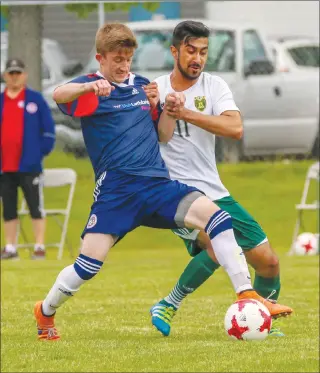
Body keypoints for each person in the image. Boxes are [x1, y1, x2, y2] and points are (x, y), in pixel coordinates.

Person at [33, 23, 292, 341]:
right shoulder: (91, 88)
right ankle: (45, 311)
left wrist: (163, 108)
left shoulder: (143, 87)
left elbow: (164, 134)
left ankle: (246, 293)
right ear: (100, 58)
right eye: (117, 59)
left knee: (218, 219)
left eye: (128, 58)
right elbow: (59, 94)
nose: (123, 66)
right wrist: (89, 88)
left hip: (157, 186)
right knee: (87, 267)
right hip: (117, 193)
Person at [143, 20, 290, 337]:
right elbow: (157, 137)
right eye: (191, 50)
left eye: (203, 52)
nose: (197, 58)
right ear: (175, 51)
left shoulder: (215, 86)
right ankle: (168, 304)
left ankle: (263, 320)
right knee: (215, 240)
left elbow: (234, 129)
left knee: (269, 262)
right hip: (175, 193)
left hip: (214, 191)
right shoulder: (155, 89)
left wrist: (188, 113)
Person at [0, 58, 55, 260]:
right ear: (6, 75)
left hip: (29, 165)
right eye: (11, 73)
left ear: (24, 75)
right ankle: (10, 247)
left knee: (35, 205)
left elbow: (48, 130)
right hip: (5, 166)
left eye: (18, 73)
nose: (14, 77)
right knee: (8, 207)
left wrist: (39, 152)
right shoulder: (1, 100)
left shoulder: (35, 99)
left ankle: (39, 246)